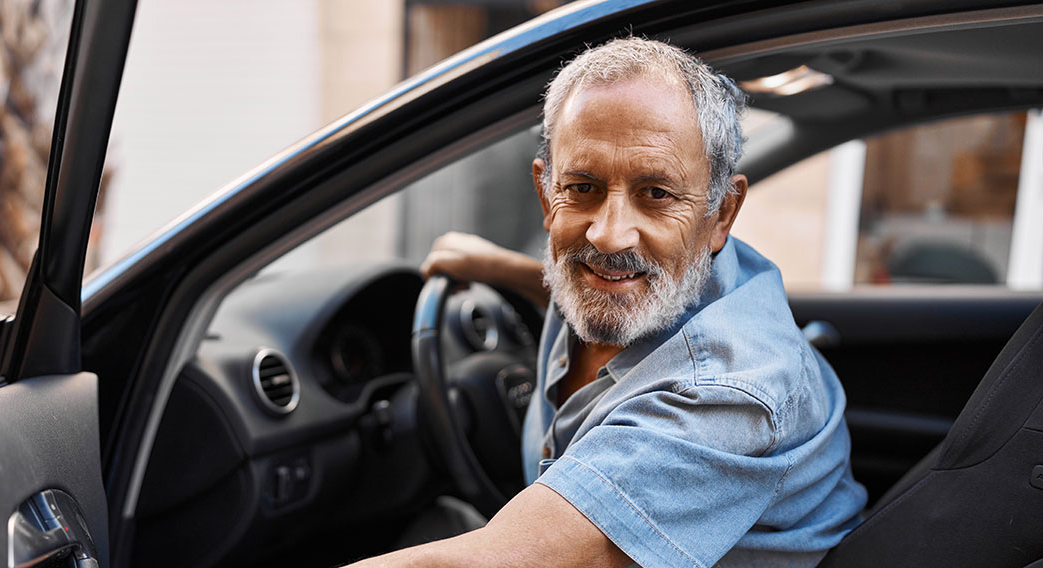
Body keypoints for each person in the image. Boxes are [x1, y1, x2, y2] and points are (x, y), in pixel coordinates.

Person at [350, 37, 866, 567]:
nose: (608, 236)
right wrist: (495, 267)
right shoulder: (645, 276)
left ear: (721, 214)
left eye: (657, 194)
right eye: (582, 186)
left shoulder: (724, 392)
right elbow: (594, 279)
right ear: (547, 195)